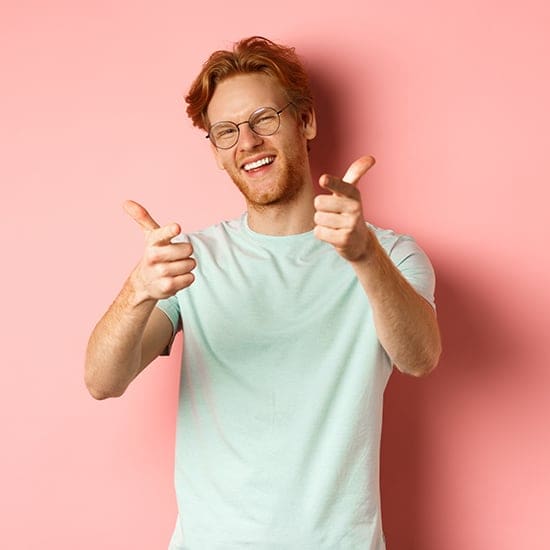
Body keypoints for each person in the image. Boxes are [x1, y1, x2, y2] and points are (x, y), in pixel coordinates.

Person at [85, 36, 441, 550]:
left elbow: (420, 357)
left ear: (307, 122)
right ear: (215, 151)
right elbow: (102, 381)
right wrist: (137, 292)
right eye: (225, 131)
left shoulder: (390, 255)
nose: (246, 141)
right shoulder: (191, 260)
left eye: (264, 119)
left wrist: (364, 256)